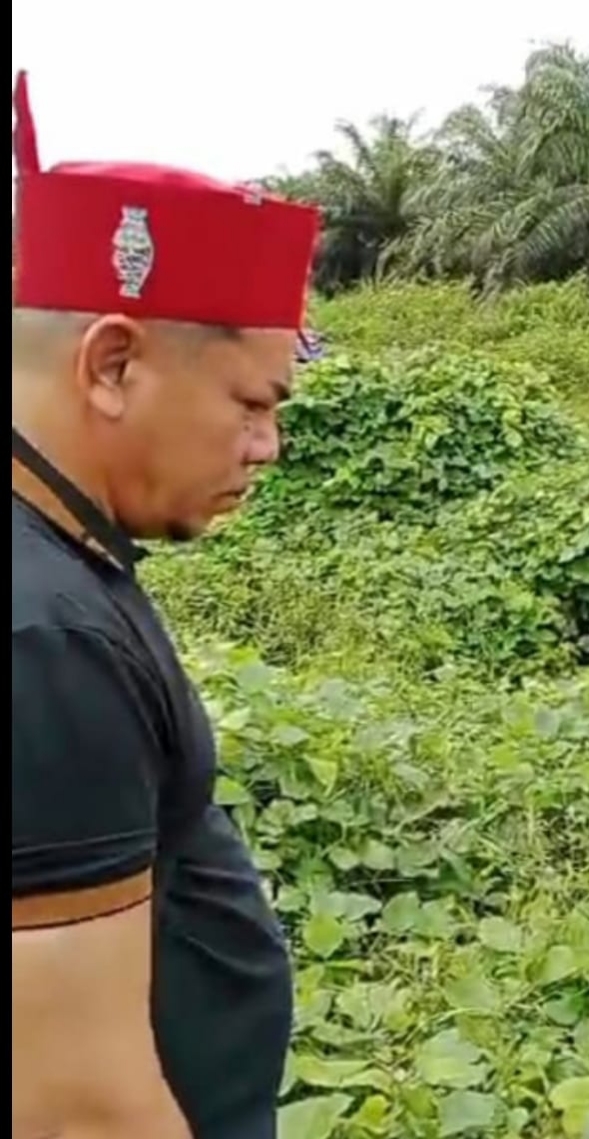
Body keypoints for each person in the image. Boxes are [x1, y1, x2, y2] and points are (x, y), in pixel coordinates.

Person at [11, 72, 319, 1139]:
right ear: (112, 363)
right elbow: (69, 1104)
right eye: (251, 401)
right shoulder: (41, 638)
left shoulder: (62, 552)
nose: (268, 445)